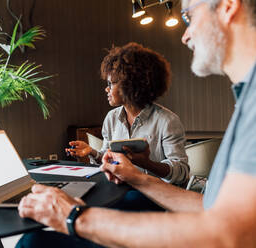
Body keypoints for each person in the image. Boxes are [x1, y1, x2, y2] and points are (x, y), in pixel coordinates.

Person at [16, 0, 256, 247]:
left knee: (33, 242)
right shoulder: (245, 99)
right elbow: (210, 208)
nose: (185, 36)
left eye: (188, 16)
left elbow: (233, 234)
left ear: (228, 6)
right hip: (144, 194)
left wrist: (75, 216)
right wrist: (137, 176)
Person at [66, 42, 189, 186]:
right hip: (119, 188)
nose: (107, 90)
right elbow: (109, 158)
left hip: (153, 194)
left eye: (111, 84)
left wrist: (146, 163)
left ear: (130, 84)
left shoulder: (167, 121)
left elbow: (181, 173)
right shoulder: (111, 118)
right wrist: (92, 152)